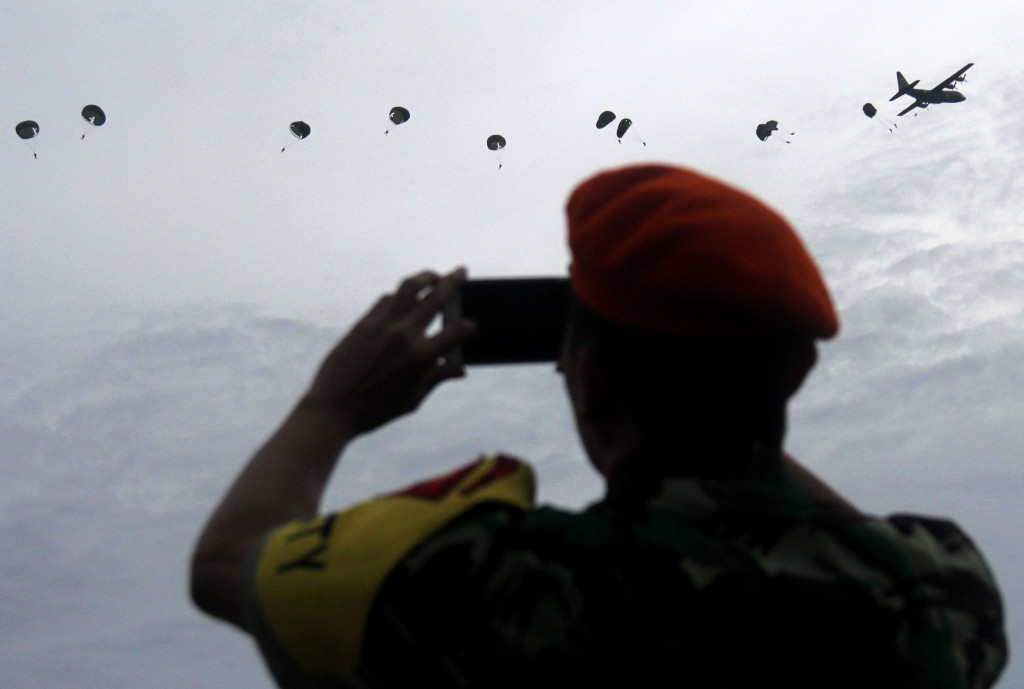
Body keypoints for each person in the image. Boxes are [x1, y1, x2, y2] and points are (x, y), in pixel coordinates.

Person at [191, 164, 1007, 688]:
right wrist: (735, 385)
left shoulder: (498, 581)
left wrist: (332, 402)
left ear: (592, 378)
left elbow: (227, 563)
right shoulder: (940, 587)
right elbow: (825, 527)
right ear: (797, 371)